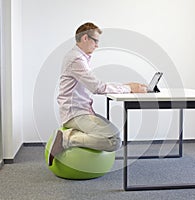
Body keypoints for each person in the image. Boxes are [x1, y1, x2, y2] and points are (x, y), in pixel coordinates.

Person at [48, 22, 147, 166]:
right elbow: (97, 87)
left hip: (82, 111)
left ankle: (69, 138)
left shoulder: (79, 57)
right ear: (85, 39)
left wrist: (127, 87)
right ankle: (66, 139)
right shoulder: (76, 59)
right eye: (95, 41)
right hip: (75, 114)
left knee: (115, 135)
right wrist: (129, 88)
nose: (97, 45)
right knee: (113, 141)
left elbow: (97, 85)